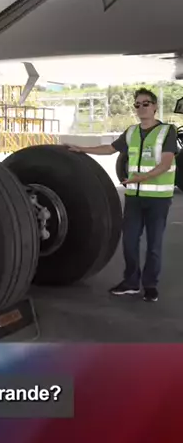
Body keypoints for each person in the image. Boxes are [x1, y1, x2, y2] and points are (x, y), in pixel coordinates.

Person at [65, 87, 178, 302]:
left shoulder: (166, 131)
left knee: (154, 245)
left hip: (158, 200)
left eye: (145, 104)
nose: (141, 108)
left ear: (154, 107)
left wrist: (141, 178)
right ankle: (131, 282)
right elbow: (110, 149)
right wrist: (82, 149)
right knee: (129, 242)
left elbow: (165, 163)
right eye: (137, 104)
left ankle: (150, 286)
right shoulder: (131, 132)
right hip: (134, 198)